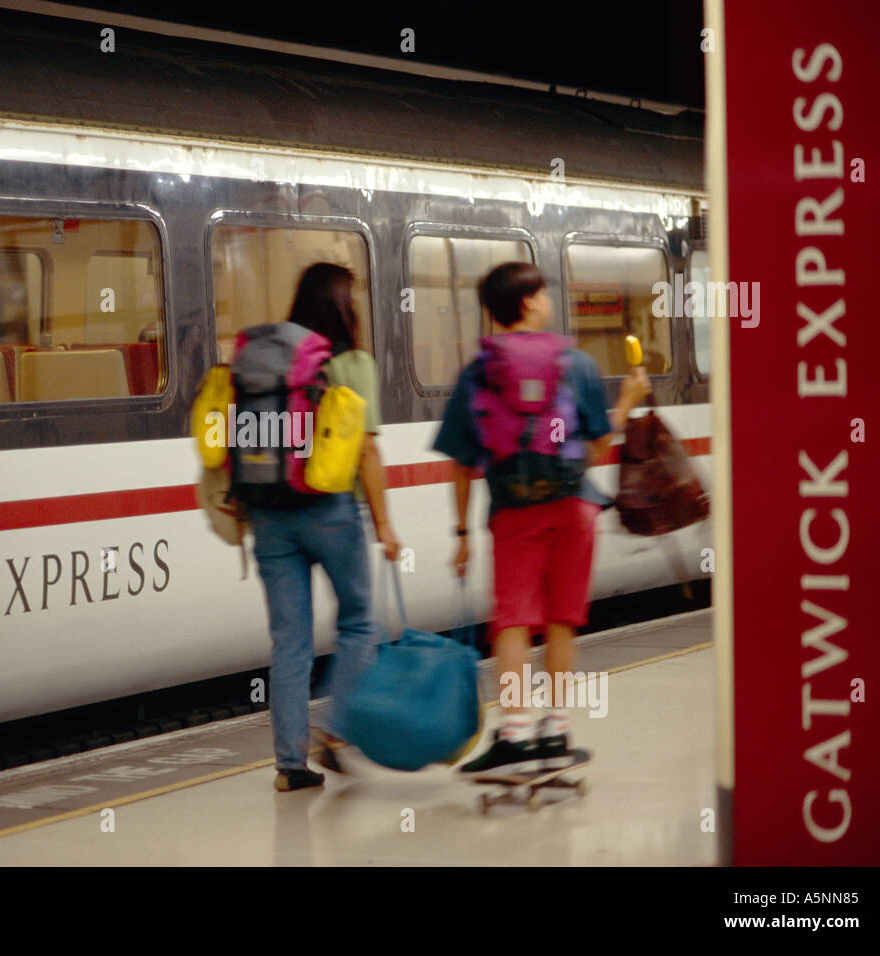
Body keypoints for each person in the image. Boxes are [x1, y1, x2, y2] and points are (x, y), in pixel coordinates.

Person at [432, 261, 649, 773]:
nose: (549, 301)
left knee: (512, 622)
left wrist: (462, 532)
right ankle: (555, 728)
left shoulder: (478, 371)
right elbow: (595, 448)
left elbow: (462, 465)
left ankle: (512, 732)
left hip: (513, 511)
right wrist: (626, 404)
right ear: (528, 302)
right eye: (544, 294)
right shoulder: (576, 364)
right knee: (560, 618)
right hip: (574, 508)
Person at [246, 262, 402, 791]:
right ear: (344, 306)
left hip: (269, 514)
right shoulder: (352, 362)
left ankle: (290, 766)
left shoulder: (267, 357)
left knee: (289, 642)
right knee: (360, 622)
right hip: (331, 511)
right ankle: (336, 734)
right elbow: (366, 450)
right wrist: (384, 525)